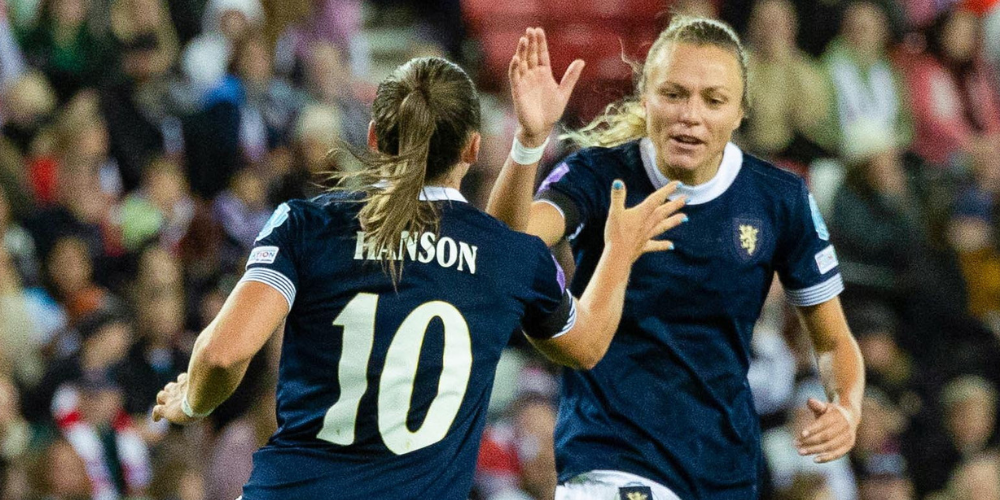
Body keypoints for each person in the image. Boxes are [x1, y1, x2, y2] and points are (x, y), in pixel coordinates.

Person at [150, 56, 686, 498]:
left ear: (375, 137)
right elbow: (585, 344)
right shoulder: (511, 257)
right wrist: (617, 252)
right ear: (474, 149)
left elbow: (224, 354)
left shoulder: (307, 223)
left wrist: (193, 403)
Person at [487, 19, 865, 499]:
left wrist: (847, 407)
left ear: (740, 112)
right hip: (610, 461)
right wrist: (528, 140)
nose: (691, 114)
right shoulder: (599, 175)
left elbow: (832, 339)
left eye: (713, 100)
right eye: (674, 93)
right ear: (645, 96)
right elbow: (506, 243)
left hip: (723, 471)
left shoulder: (779, 199)